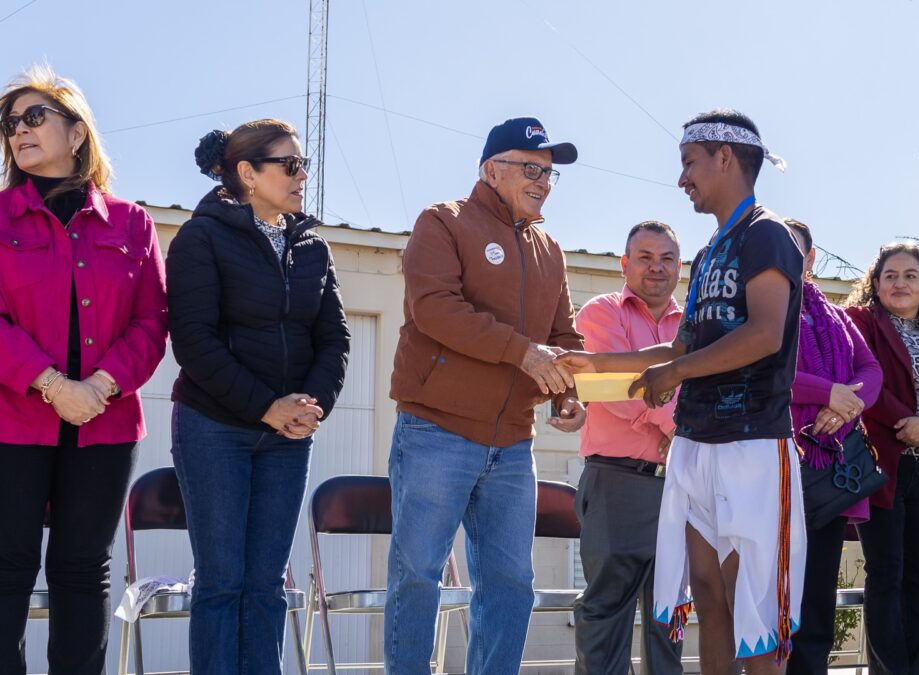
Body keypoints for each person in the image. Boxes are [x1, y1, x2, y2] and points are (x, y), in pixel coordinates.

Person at [560, 108, 806, 675]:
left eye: (688, 163)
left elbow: (765, 334)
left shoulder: (768, 234)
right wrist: (594, 361)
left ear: (725, 158)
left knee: (754, 609)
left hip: (751, 445)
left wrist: (679, 373)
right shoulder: (713, 249)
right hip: (696, 447)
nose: (681, 179)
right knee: (708, 596)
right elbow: (676, 349)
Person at [385, 116, 586, 674]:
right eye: (531, 168)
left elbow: (564, 337)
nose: (543, 181)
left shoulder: (551, 248)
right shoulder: (442, 222)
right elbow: (435, 309)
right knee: (418, 573)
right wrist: (523, 352)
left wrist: (565, 395)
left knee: (511, 583)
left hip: (512, 445)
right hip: (435, 433)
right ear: (490, 171)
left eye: (549, 173)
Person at [0, 66, 168, 675]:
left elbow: (152, 321)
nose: (19, 130)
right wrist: (50, 385)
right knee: (8, 564)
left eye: (35, 117)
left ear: (77, 132)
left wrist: (98, 387)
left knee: (80, 567)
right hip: (13, 420)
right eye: (10, 123)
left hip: (106, 420)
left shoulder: (131, 223)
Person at [166, 119, 350, 674]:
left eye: (304, 165)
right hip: (214, 427)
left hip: (289, 436)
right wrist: (265, 407)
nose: (301, 176)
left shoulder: (312, 244)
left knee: (267, 584)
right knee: (223, 582)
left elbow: (334, 337)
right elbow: (193, 341)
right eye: (288, 165)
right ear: (247, 173)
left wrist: (309, 407)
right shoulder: (201, 237)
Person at [843, 242, 919, 675]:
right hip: (882, 468)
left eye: (910, 275)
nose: (900, 283)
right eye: (890, 275)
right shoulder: (860, 322)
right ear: (875, 283)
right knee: (887, 576)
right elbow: (865, 387)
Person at [573, 220, 684, 675]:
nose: (656, 268)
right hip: (616, 482)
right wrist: (680, 426)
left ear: (681, 267)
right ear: (624, 264)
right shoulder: (601, 313)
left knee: (670, 616)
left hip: (680, 487)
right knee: (606, 613)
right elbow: (615, 388)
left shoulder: (694, 327)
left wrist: (679, 425)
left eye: (667, 259)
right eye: (645, 257)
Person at [786, 222, 882, 675]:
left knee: (818, 594)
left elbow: (869, 368)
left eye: (793, 249)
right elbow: (756, 372)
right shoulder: (751, 308)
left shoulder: (835, 316)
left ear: (810, 260)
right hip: (774, 464)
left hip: (828, 471)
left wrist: (846, 406)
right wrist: (827, 392)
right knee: (769, 594)